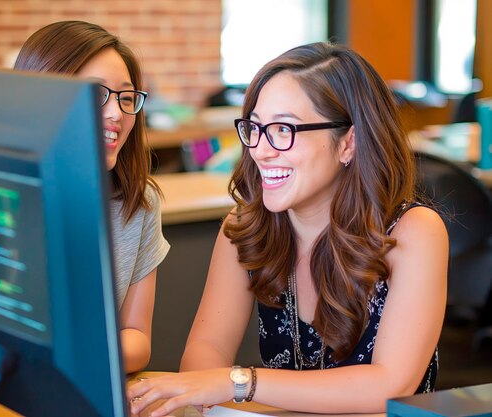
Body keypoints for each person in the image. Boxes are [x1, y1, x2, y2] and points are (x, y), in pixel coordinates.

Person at [128, 41, 448, 414]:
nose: (260, 150)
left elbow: (390, 383)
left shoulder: (413, 231)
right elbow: (206, 353)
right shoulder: (246, 227)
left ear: (349, 142)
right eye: (256, 128)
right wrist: (210, 388)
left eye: (283, 129)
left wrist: (237, 382)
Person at [14, 21, 170, 374]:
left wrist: (74, 356)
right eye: (95, 93)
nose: (116, 114)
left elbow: (136, 338)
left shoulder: (138, 203)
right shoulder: (1, 195)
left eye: (126, 98)